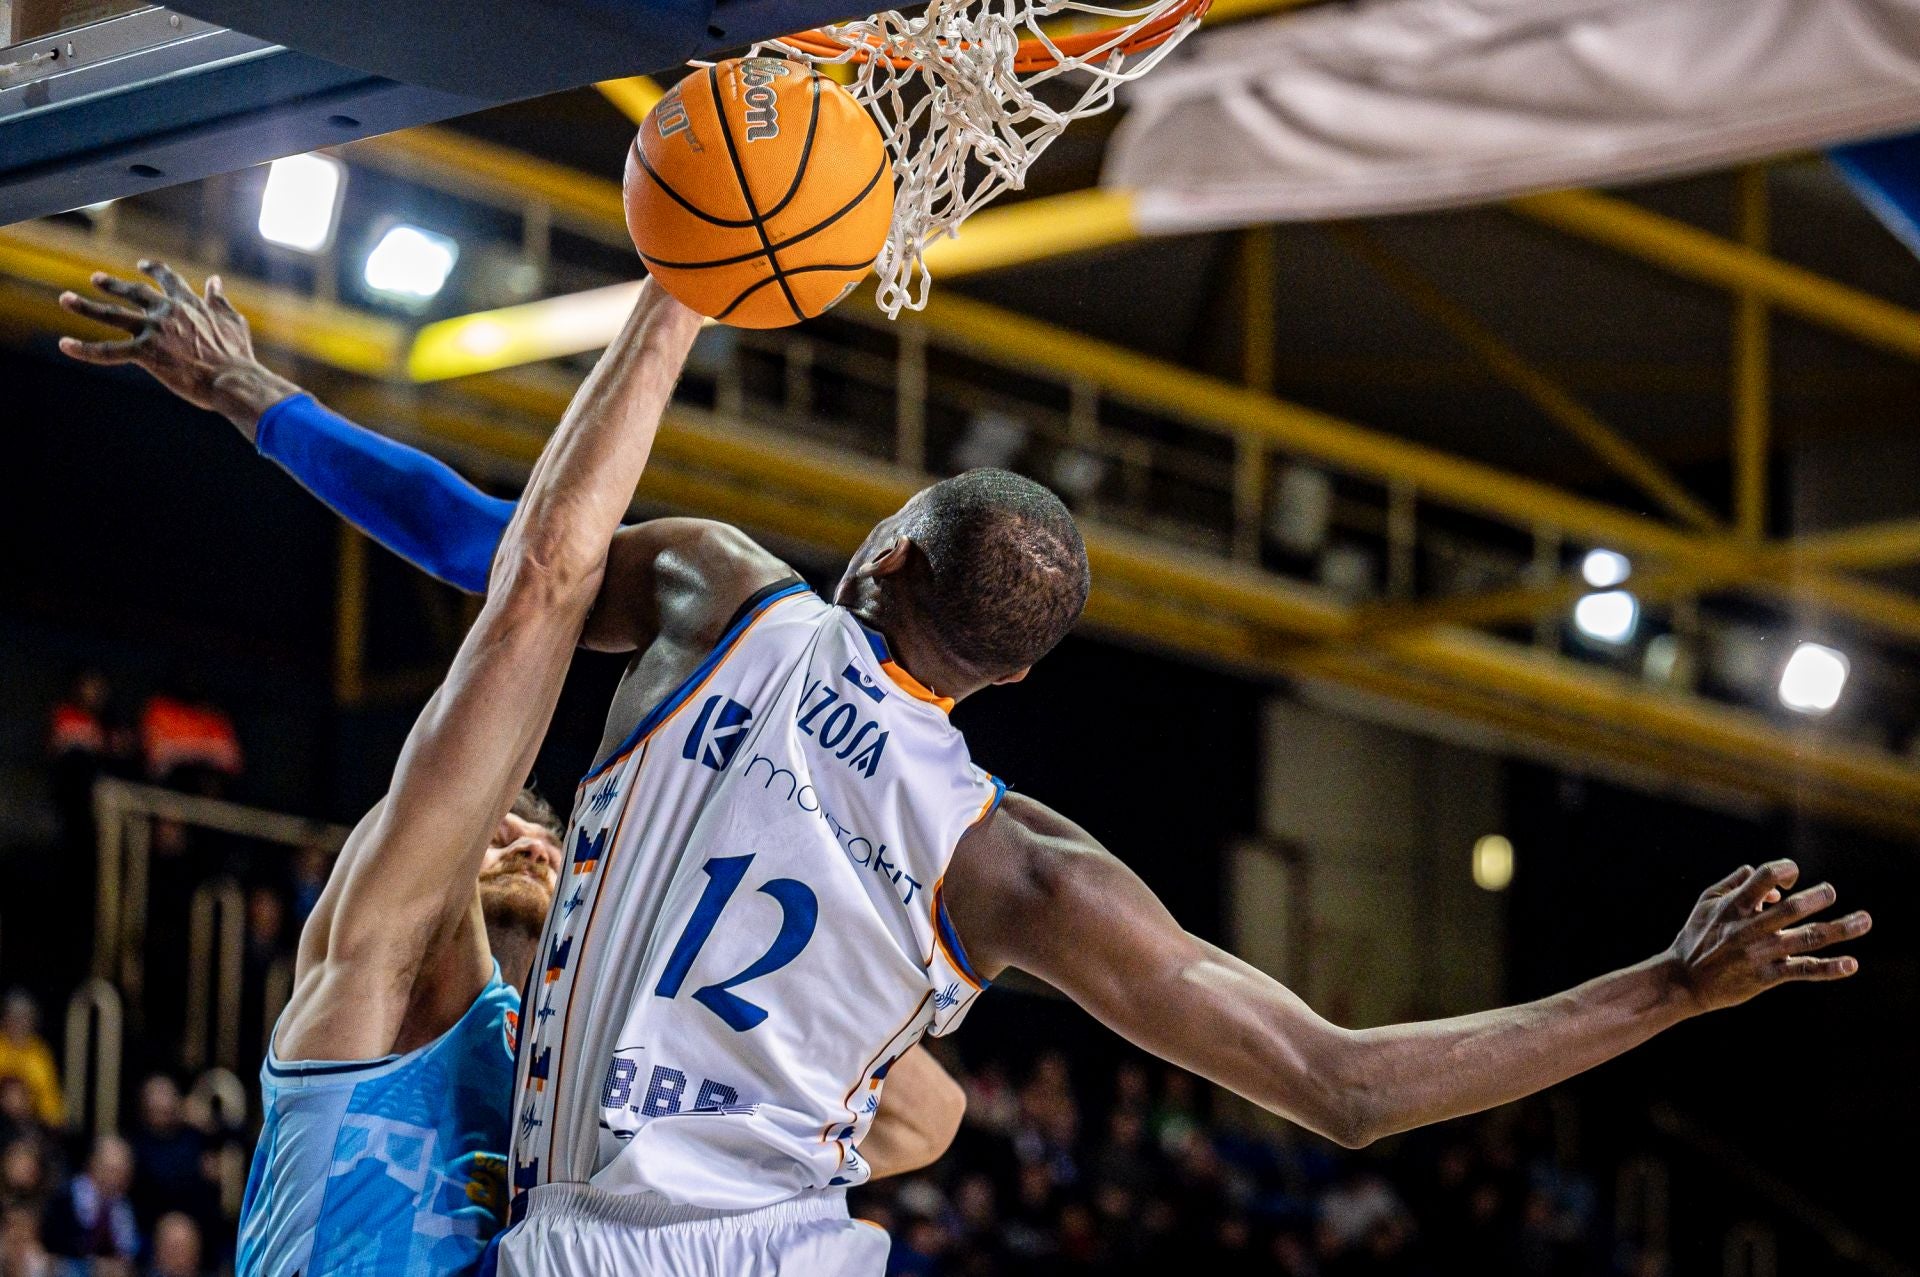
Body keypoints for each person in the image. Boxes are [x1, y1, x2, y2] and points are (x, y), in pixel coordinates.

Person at [62, 263, 1873, 1277]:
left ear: (883, 566)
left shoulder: (726, 599)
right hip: (779, 1245)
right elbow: (1343, 1085)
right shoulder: (1025, 867)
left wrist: (256, 399)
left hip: (604, 1233)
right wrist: (1667, 985)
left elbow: (503, 553)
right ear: (1010, 673)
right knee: (907, 1121)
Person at [60, 266, 963, 1276]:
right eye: (504, 831)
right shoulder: (379, 984)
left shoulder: (595, 1096)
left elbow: (924, 1118)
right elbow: (532, 580)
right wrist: (245, 390)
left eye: (548, 837)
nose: (533, 839)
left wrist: (703, 944)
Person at [41, 1135, 138, 1268]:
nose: (116, 1179)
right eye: (111, 1170)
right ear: (92, 1165)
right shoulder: (63, 1198)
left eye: (123, 1172)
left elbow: (129, 1252)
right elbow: (52, 1247)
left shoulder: (126, 1207)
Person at [0, 997, 59, 1131]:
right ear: (4, 1020)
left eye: (24, 1019)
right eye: (14, 1019)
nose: (19, 1024)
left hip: (29, 1124)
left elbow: (52, 1106)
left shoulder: (40, 1053)